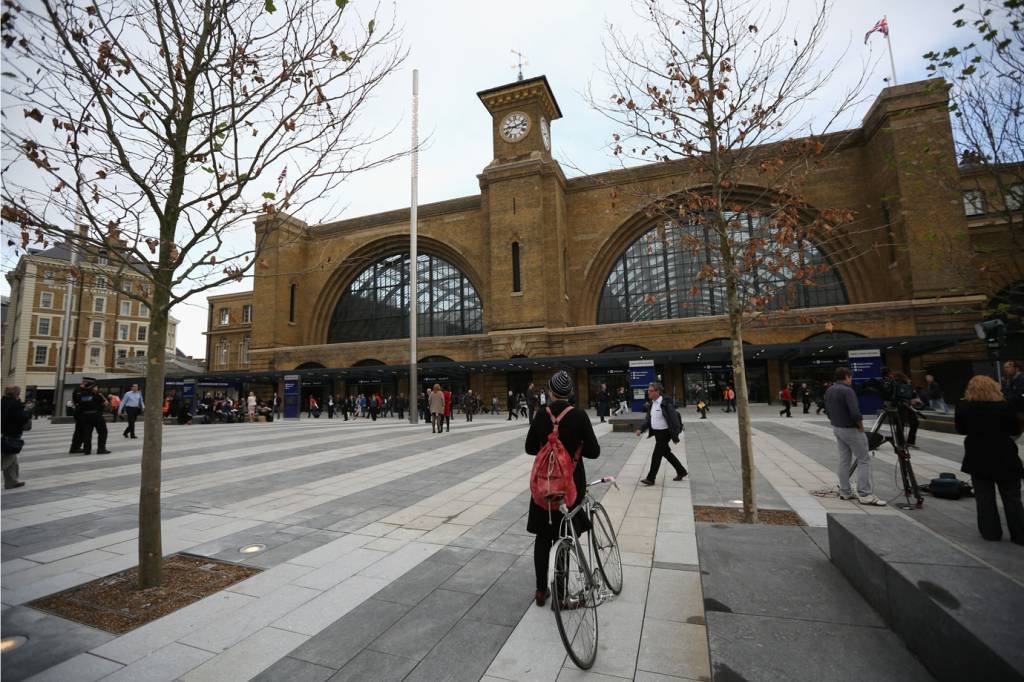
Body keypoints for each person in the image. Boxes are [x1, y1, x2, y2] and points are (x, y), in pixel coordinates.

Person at [525, 370, 600, 607]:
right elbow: (594, 451)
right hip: (570, 487)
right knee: (565, 538)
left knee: (542, 537)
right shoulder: (578, 416)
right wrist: (573, 450)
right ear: (569, 394)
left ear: (550, 391)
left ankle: (540, 591)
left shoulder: (540, 415)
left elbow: (529, 447)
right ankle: (560, 595)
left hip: (544, 487)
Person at [954, 375, 1023, 544]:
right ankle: (1020, 535)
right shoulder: (1006, 406)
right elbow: (1014, 429)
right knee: (1012, 497)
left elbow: (961, 429)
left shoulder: (963, 406)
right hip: (1005, 454)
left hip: (977, 456)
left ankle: (990, 532)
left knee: (984, 497)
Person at [826, 367, 885, 506]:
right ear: (846, 376)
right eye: (850, 377)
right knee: (864, 459)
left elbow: (827, 409)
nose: (851, 380)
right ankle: (865, 494)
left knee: (844, 459)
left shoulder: (830, 390)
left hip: (837, 427)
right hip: (851, 429)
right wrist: (860, 426)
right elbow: (855, 412)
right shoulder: (847, 390)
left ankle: (845, 491)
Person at [635, 381, 687, 485]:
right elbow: (649, 420)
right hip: (658, 434)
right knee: (666, 453)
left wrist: (675, 434)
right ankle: (681, 471)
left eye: (650, 391)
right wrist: (641, 428)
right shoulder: (652, 404)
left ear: (657, 391)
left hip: (665, 433)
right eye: (648, 391)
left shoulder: (665, 403)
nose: (648, 393)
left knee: (656, 455)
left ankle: (651, 478)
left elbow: (675, 419)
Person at [2, 385, 30, 489]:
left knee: (13, 461)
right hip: (11, 435)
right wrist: (26, 412)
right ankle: (12, 481)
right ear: (16, 394)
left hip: (5, 434)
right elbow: (22, 419)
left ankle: (11, 482)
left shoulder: (2, 402)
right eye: (18, 393)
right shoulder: (15, 404)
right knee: (8, 458)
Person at [77, 379, 111, 455]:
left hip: (85, 416)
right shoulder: (98, 395)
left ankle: (87, 450)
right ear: (92, 388)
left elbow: (78, 404)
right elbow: (106, 404)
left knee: (87, 434)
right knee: (103, 432)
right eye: (96, 387)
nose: (97, 388)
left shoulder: (81, 395)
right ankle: (101, 449)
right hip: (96, 416)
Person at [69, 377, 89, 454]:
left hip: (82, 414)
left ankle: (77, 446)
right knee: (79, 432)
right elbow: (80, 400)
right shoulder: (78, 390)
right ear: (84, 383)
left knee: (82, 432)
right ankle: (74, 448)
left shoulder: (83, 390)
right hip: (80, 414)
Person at [1002, 360, 1024, 428]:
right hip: (1012, 411)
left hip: (1020, 411)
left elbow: (1021, 395)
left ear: (1016, 368)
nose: (1005, 370)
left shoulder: (1022, 379)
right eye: (1004, 368)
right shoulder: (1007, 380)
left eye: (1008, 367)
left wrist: (1004, 398)